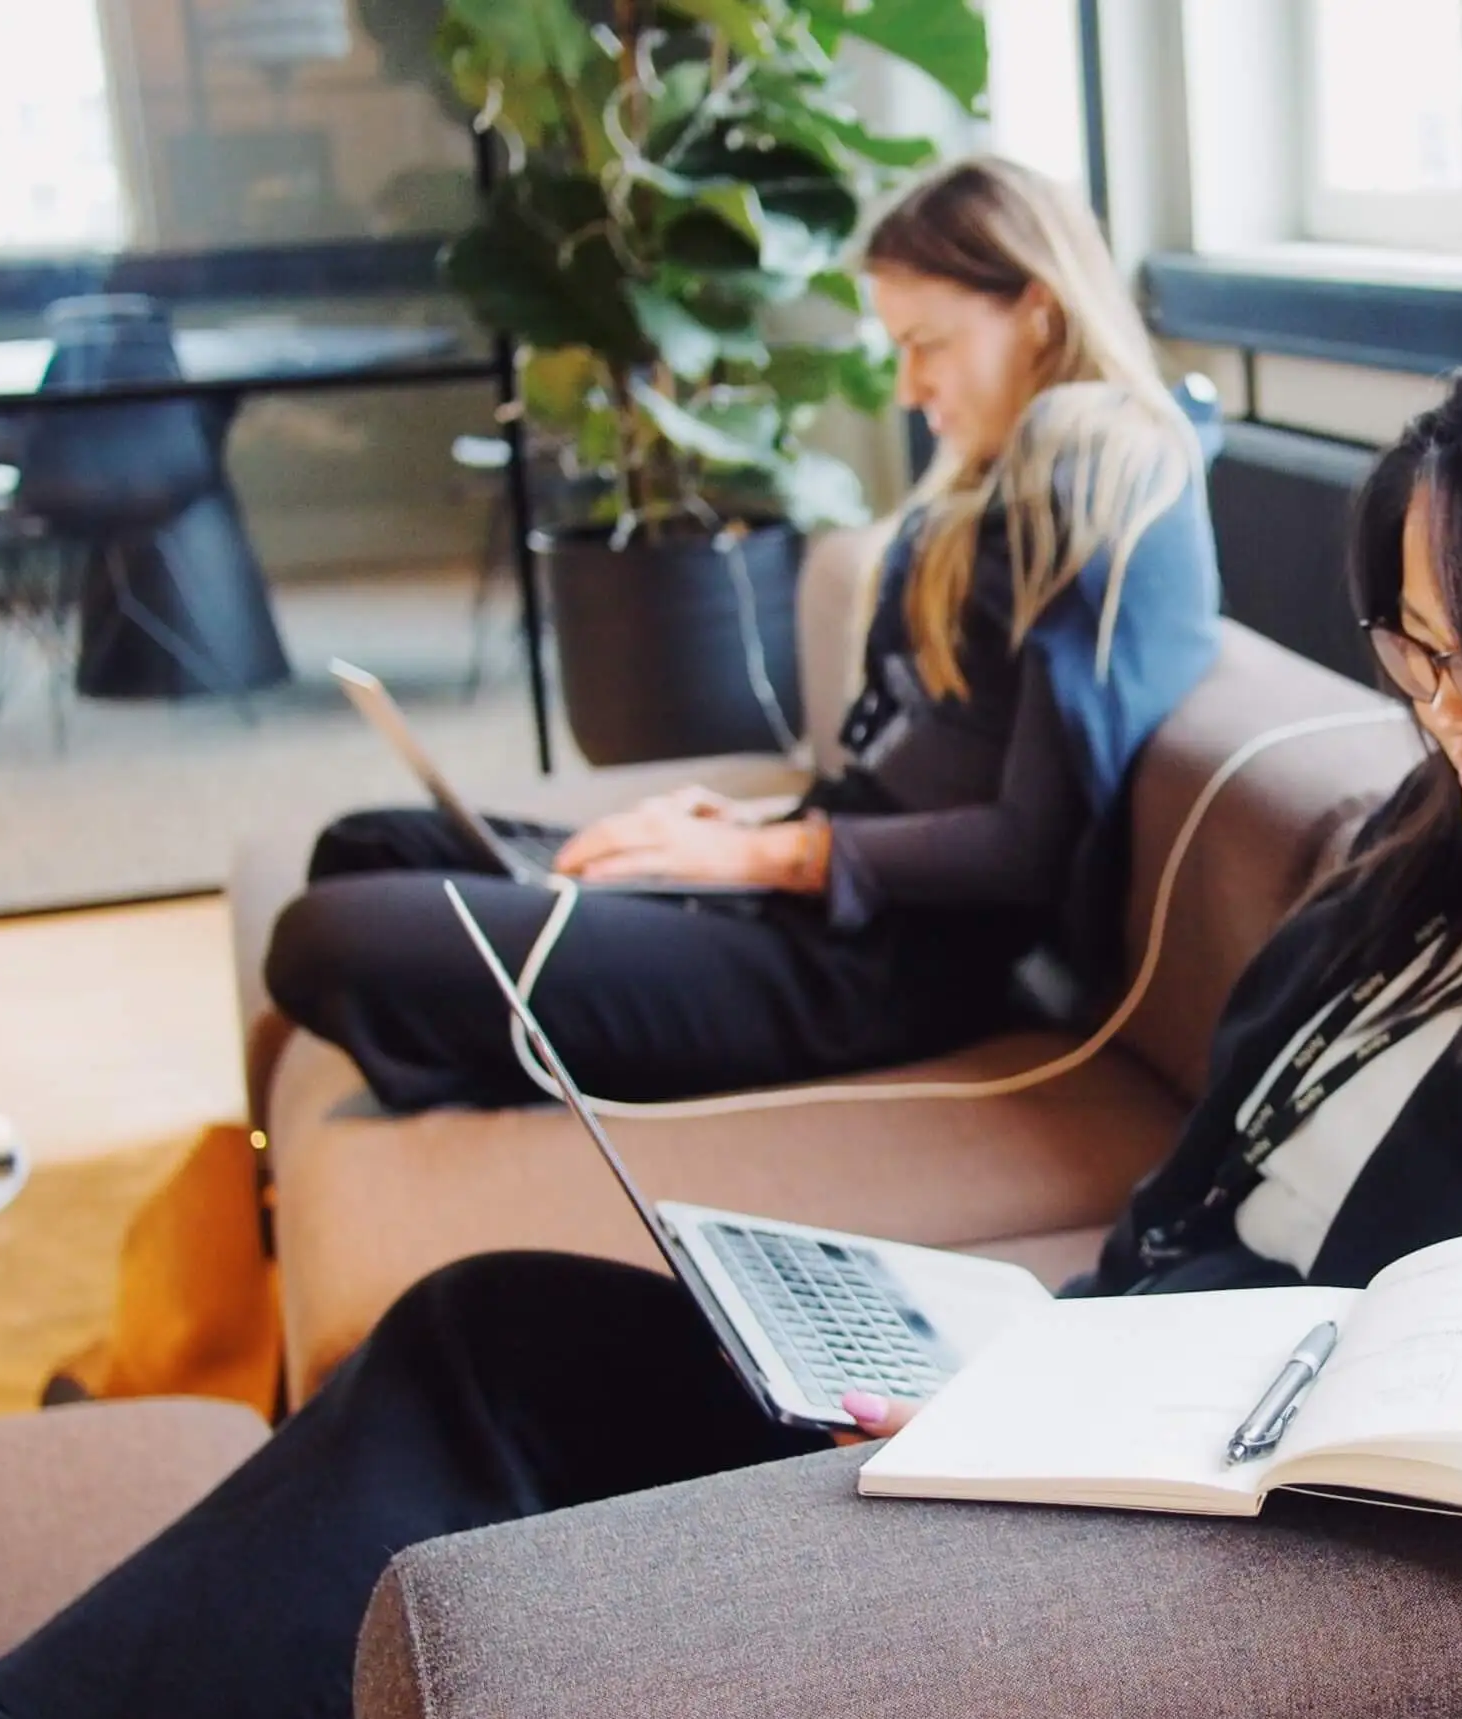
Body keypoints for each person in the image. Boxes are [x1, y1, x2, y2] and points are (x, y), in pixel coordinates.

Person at [0, 318, 1462, 1719]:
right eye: (1417, 651)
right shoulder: (1450, 841)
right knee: (489, 1337)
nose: (1443, 715)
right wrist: (1011, 1340)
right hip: (1089, 1377)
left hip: (1221, 1537)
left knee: (512, 1456)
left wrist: (1140, 1396)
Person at [262, 155, 1223, 1112]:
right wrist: (740, 829)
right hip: (833, 882)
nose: (906, 387)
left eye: (928, 343)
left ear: (1040, 311)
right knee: (368, 845)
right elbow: (907, 769)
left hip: (892, 960)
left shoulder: (1095, 474)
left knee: (329, 940)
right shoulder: (999, 474)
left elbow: (1031, 851)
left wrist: (763, 857)